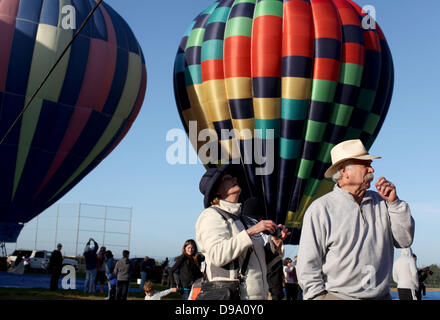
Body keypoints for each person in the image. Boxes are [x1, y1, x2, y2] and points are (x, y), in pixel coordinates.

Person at [297, 139, 415, 300]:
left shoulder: (382, 202)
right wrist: (317, 296)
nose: (371, 169)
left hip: (381, 296)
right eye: (365, 164)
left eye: (370, 164)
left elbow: (404, 241)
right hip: (338, 296)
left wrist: (394, 204)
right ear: (344, 171)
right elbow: (307, 262)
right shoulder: (321, 209)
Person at [195, 164, 290, 300]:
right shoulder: (211, 215)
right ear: (216, 190)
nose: (235, 179)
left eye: (234, 177)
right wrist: (251, 232)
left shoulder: (245, 220)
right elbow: (217, 255)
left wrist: (275, 243)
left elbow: (258, 264)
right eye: (228, 178)